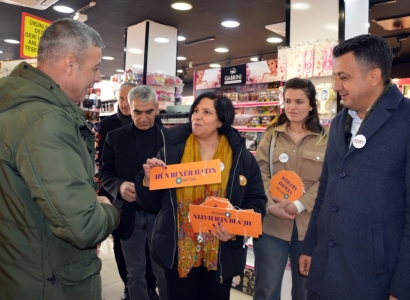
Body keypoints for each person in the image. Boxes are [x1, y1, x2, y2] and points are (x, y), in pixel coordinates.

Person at [0, 18, 119, 299]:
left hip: (21, 270)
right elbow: (82, 226)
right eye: (96, 67)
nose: (99, 76)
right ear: (70, 64)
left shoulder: (14, 109)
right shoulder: (46, 121)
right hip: (50, 281)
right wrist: (107, 208)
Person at [299, 34, 410, 300]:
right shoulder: (339, 122)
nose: (336, 85)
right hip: (324, 270)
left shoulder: (406, 120)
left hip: (372, 278)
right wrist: (311, 245)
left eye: (344, 77)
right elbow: (326, 189)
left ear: (374, 76)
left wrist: (402, 287)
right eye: (335, 76)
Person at [134, 92, 267, 300]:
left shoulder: (240, 158)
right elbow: (152, 203)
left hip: (221, 251)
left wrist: (235, 231)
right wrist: (148, 181)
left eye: (206, 112)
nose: (197, 116)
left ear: (221, 120)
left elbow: (257, 202)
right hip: (179, 251)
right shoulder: (172, 152)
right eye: (195, 111)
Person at [253, 78, 328, 300]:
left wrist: (299, 204)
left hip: (309, 228)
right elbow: (259, 174)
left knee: (305, 291)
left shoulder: (326, 139)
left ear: (311, 104)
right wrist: (270, 205)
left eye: (299, 101)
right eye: (288, 101)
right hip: (272, 227)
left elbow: (327, 180)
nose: (292, 107)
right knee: (266, 290)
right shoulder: (271, 136)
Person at [100, 85, 167, 300]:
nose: (144, 118)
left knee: (164, 273)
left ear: (157, 108)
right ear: (129, 107)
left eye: (149, 112)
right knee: (135, 274)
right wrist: (119, 186)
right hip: (129, 215)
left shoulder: (169, 138)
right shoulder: (115, 137)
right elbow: (105, 173)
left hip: (160, 215)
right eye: (138, 112)